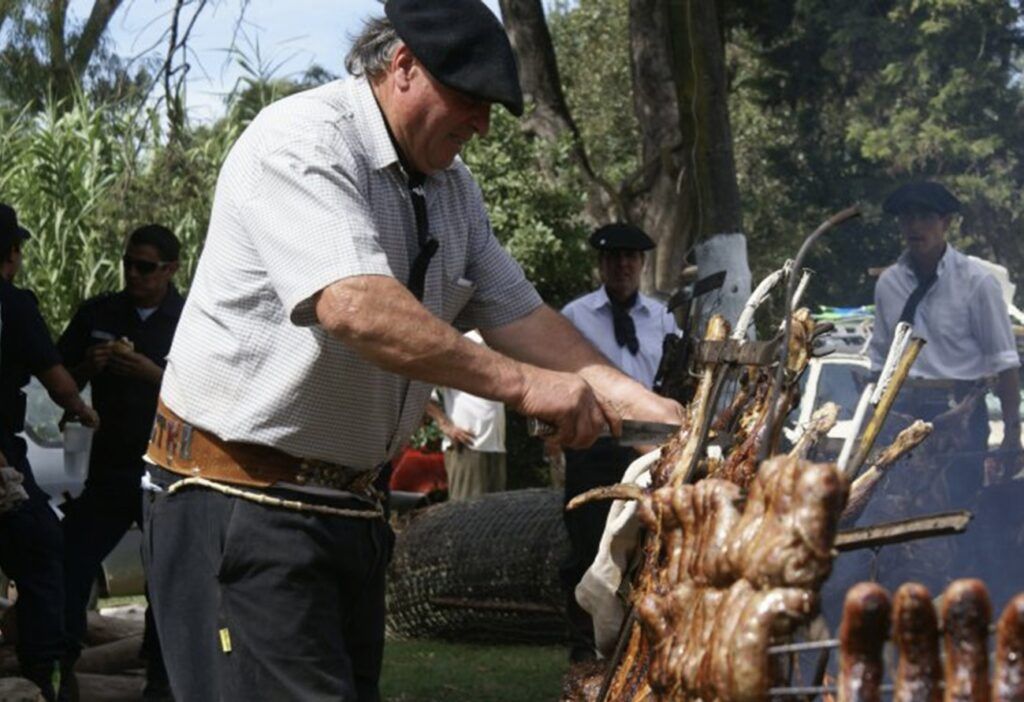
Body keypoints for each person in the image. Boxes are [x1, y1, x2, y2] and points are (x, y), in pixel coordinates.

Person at [140, 2, 683, 700]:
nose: (482, 125)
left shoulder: (455, 192)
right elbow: (355, 305)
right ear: (403, 67)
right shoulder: (302, 142)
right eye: (470, 101)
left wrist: (648, 406)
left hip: (348, 517)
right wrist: (523, 386)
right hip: (239, 502)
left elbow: (520, 314)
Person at [57, 224, 182, 700]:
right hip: (110, 468)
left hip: (168, 470)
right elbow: (57, 376)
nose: (134, 274)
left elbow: (213, 391)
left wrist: (153, 374)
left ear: (170, 270)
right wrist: (90, 367)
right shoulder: (99, 313)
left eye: (146, 267)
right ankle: (60, 665)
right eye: (128, 263)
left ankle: (162, 675)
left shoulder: (189, 318)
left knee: (166, 574)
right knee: (72, 558)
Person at [557, 222, 681, 661]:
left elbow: (675, 378)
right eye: (614, 258)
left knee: (647, 540)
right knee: (589, 543)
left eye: (631, 257)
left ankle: (637, 643)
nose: (623, 265)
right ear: (602, 264)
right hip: (594, 444)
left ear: (642, 264)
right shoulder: (576, 316)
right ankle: (586, 648)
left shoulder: (664, 317)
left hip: (647, 447)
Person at [868, 181, 1021, 506]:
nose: (915, 226)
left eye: (925, 217)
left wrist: (1012, 433)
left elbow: (1005, 363)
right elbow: (880, 362)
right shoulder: (888, 284)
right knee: (892, 511)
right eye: (907, 218)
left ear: (945, 223)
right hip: (901, 414)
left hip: (958, 414)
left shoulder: (977, 283)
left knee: (955, 513)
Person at [0, 203, 98, 701]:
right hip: (1, 460)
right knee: (41, 551)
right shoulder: (13, 306)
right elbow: (55, 379)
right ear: (12, 254)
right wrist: (83, 409)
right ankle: (44, 673)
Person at [426, 330, 507, 500]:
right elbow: (422, 388)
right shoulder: (458, 343)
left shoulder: (497, 343)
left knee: (495, 518)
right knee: (465, 517)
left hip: (495, 446)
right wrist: (445, 425)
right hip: (467, 445)